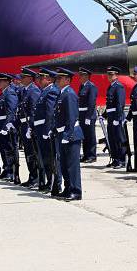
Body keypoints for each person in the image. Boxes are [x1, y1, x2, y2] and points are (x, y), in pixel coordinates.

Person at [54, 67, 83, 201]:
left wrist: (67, 135)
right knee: (64, 164)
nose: (57, 80)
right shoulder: (62, 93)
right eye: (57, 78)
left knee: (72, 165)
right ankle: (68, 188)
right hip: (63, 133)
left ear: (67, 80)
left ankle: (76, 191)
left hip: (71, 135)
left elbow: (72, 117)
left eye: (60, 78)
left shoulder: (69, 94)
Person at [31, 68, 59, 192]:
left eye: (41, 78)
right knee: (44, 157)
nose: (39, 80)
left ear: (49, 79)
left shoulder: (51, 91)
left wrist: (47, 130)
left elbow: (50, 112)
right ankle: (49, 181)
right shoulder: (44, 91)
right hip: (40, 128)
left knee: (50, 157)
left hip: (45, 129)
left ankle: (54, 183)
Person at [19, 68, 41, 187]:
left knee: (33, 152)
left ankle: (36, 178)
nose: (21, 79)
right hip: (24, 125)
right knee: (28, 152)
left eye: (23, 77)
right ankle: (32, 176)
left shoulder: (34, 91)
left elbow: (33, 111)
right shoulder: (25, 90)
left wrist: (31, 127)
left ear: (30, 78)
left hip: (29, 126)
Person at [0, 73, 18, 181]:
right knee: (3, 149)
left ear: (8, 82)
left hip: (6, 126)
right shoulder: (3, 94)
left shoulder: (10, 93)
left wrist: (6, 127)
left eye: (1, 81)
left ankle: (11, 171)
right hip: (1, 124)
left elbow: (11, 112)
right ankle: (6, 168)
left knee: (9, 149)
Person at [104, 66, 126, 169]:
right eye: (108, 74)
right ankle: (115, 159)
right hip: (110, 116)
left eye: (111, 74)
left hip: (116, 116)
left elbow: (120, 104)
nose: (109, 76)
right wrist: (104, 115)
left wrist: (117, 118)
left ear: (116, 75)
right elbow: (109, 104)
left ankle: (122, 160)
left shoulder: (119, 87)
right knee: (112, 139)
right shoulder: (110, 87)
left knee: (119, 139)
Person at [77, 67, 98, 163]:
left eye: (81, 75)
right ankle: (86, 155)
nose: (80, 77)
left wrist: (88, 117)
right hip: (82, 114)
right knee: (84, 136)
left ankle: (92, 156)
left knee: (90, 136)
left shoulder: (91, 87)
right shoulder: (82, 86)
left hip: (88, 115)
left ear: (86, 76)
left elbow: (91, 103)